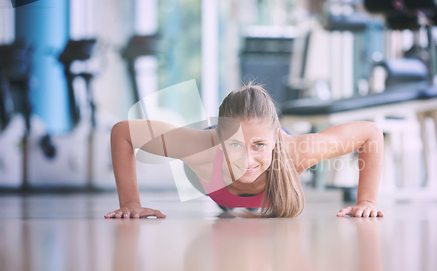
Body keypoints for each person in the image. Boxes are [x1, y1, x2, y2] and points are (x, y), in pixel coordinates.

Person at [104, 83, 384, 219]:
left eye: (259, 146)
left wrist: (367, 202)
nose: (247, 160)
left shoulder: (297, 150)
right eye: (234, 144)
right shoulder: (200, 147)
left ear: (275, 138)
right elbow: (123, 133)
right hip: (217, 186)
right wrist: (131, 203)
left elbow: (370, 133)